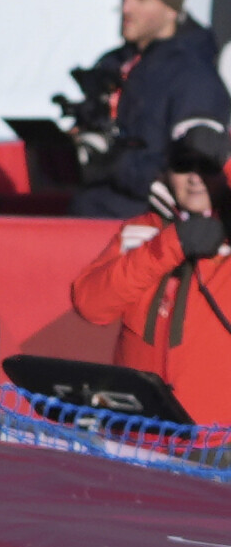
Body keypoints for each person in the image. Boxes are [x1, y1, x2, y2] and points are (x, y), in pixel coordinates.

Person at [71, 125, 231, 425]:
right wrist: (172, 244)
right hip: (138, 433)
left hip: (218, 444)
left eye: (209, 165)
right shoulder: (141, 231)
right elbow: (90, 304)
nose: (195, 177)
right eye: (183, 164)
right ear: (166, 170)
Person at [66, 0, 231, 219]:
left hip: (145, 228)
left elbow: (195, 170)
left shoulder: (194, 77)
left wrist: (112, 162)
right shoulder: (113, 63)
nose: (126, 8)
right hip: (87, 214)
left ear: (171, 9)